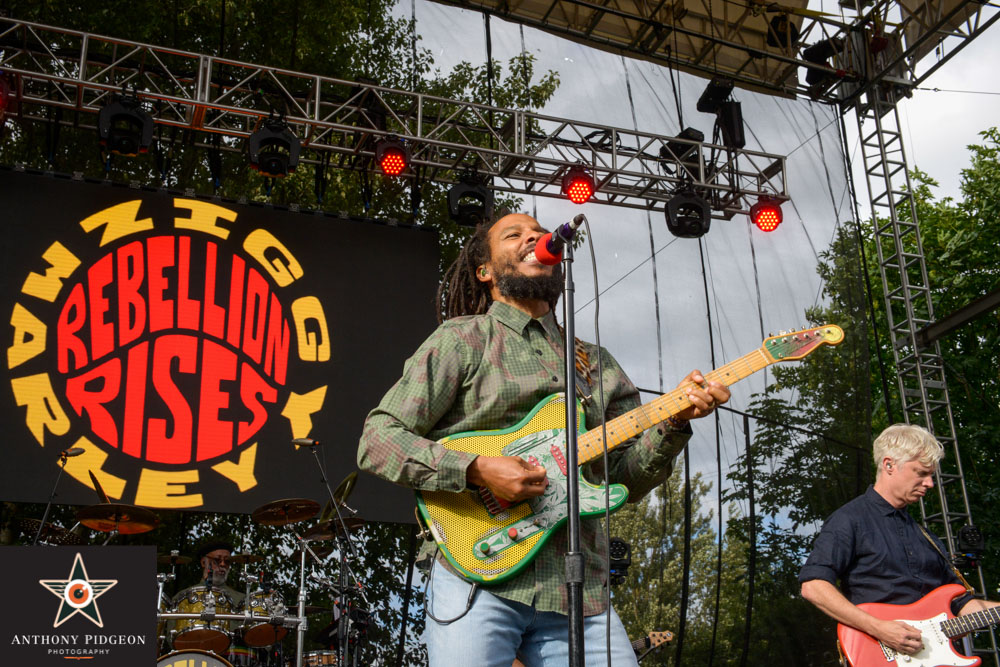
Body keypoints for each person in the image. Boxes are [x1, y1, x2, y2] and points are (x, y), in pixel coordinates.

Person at [357, 212, 730, 666]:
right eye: (514, 234)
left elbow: (624, 480)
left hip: (579, 592)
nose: (533, 237)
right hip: (476, 573)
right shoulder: (462, 340)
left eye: (537, 231)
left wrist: (674, 423)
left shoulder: (597, 364)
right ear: (485, 271)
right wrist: (477, 469)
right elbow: (378, 439)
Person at [799, 423, 999, 658]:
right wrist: (879, 628)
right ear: (889, 465)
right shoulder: (850, 519)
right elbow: (813, 586)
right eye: (921, 473)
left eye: (931, 475)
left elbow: (961, 604)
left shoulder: (928, 538)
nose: (930, 483)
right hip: (877, 655)